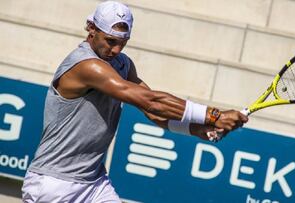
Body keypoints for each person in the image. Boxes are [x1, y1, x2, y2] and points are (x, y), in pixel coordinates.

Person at [21, 1, 248, 202]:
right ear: (91, 29)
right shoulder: (86, 65)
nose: (117, 49)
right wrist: (214, 115)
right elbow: (151, 101)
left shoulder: (123, 64)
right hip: (54, 185)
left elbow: (154, 114)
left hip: (93, 183)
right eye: (111, 41)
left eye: (123, 42)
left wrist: (197, 128)